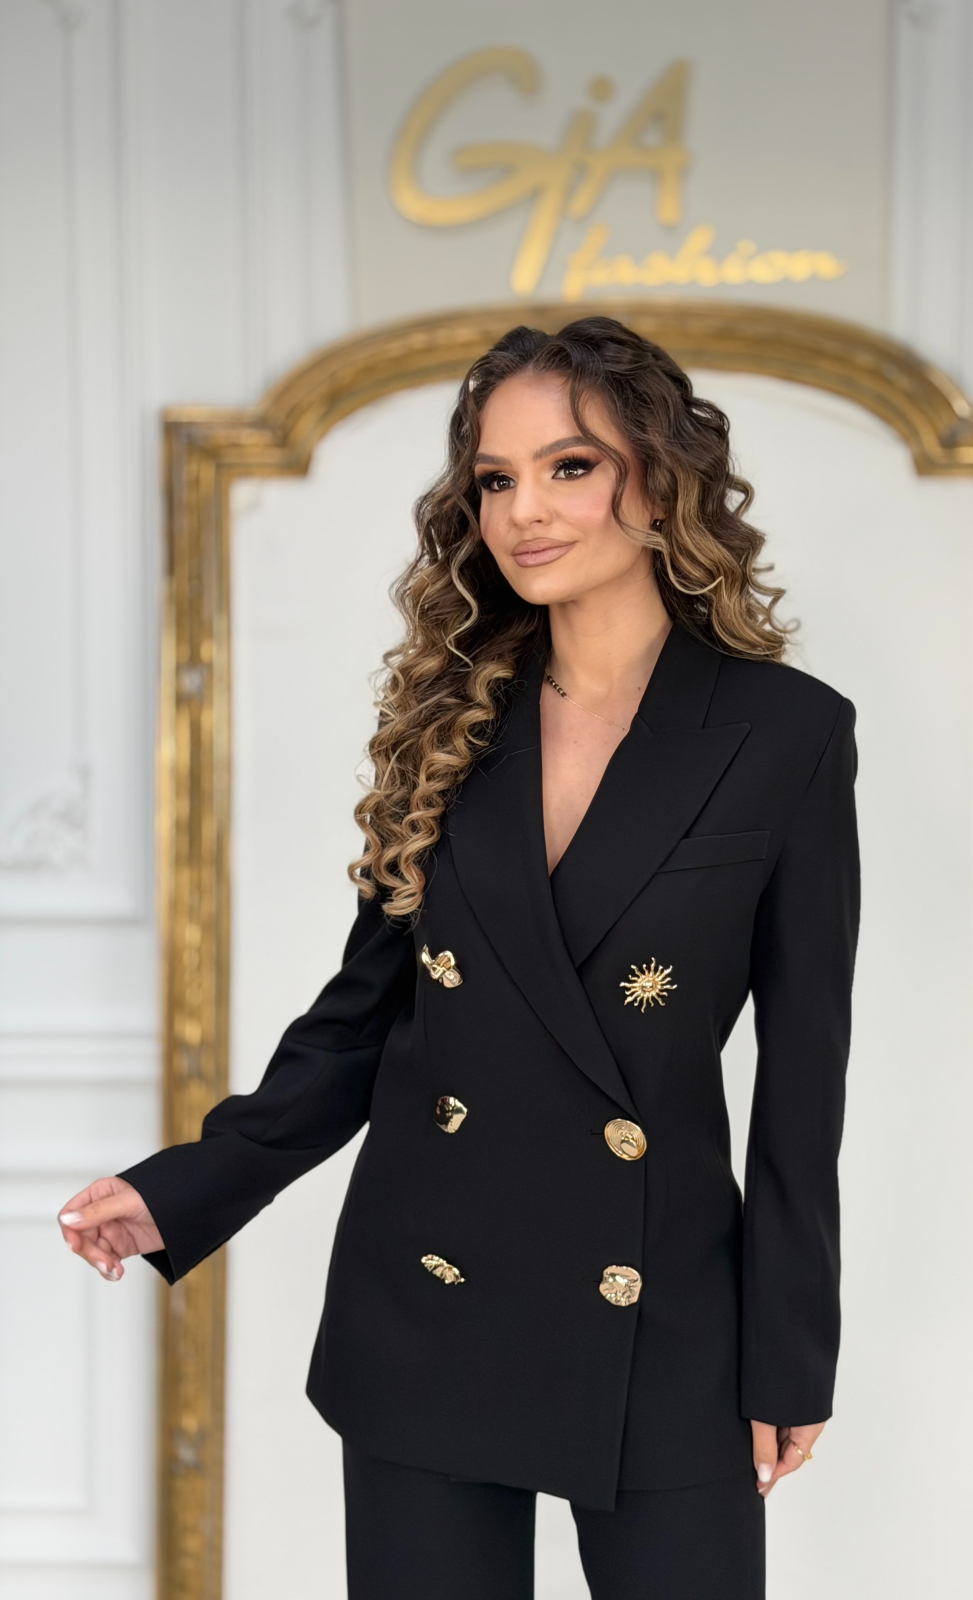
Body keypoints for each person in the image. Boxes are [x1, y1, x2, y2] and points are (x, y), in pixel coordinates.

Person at [57, 316, 861, 1599]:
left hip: (662, 1309)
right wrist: (189, 1186)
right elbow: (360, 1021)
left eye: (570, 467)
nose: (522, 510)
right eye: (495, 478)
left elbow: (804, 1073)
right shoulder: (455, 716)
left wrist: (790, 1349)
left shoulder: (787, 733)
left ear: (659, 482)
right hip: (428, 1294)